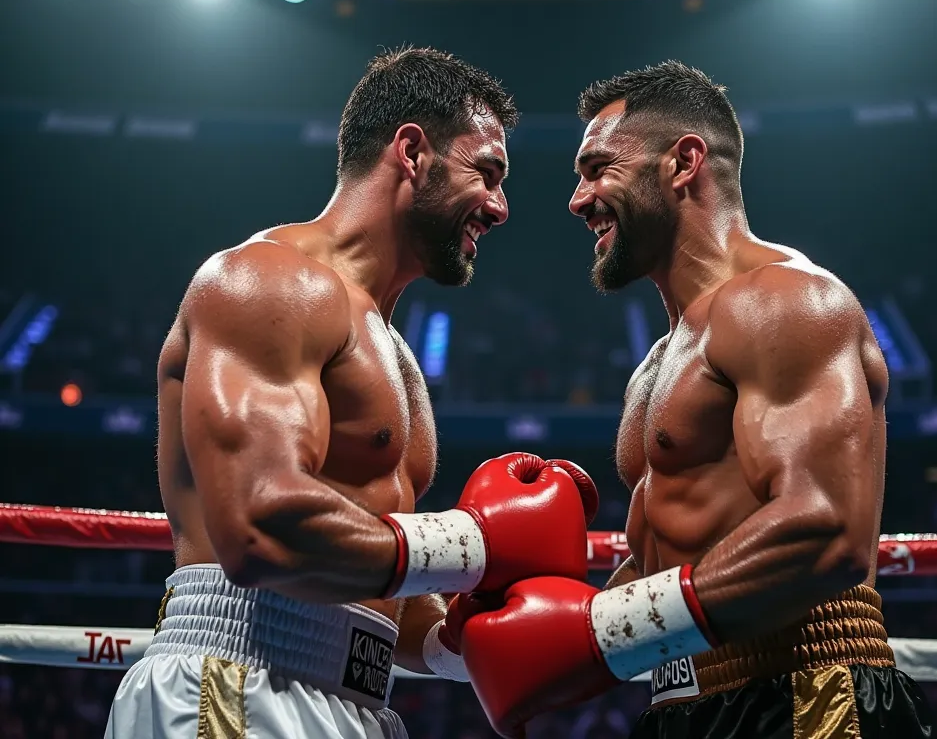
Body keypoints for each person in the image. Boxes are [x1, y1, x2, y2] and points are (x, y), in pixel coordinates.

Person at [105, 46, 598, 739]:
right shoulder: (269, 282)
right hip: (236, 684)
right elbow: (257, 528)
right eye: (486, 173)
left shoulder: (394, 350)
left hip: (354, 703)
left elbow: (371, 581)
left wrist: (453, 643)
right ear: (412, 151)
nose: (500, 207)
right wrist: (474, 540)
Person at [449, 61, 934, 738]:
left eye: (597, 168)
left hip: (805, 694)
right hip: (681, 700)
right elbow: (673, 562)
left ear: (683, 162)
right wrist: (532, 629)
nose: (577, 199)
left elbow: (827, 530)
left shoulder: (783, 301)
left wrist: (603, 629)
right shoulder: (658, 360)